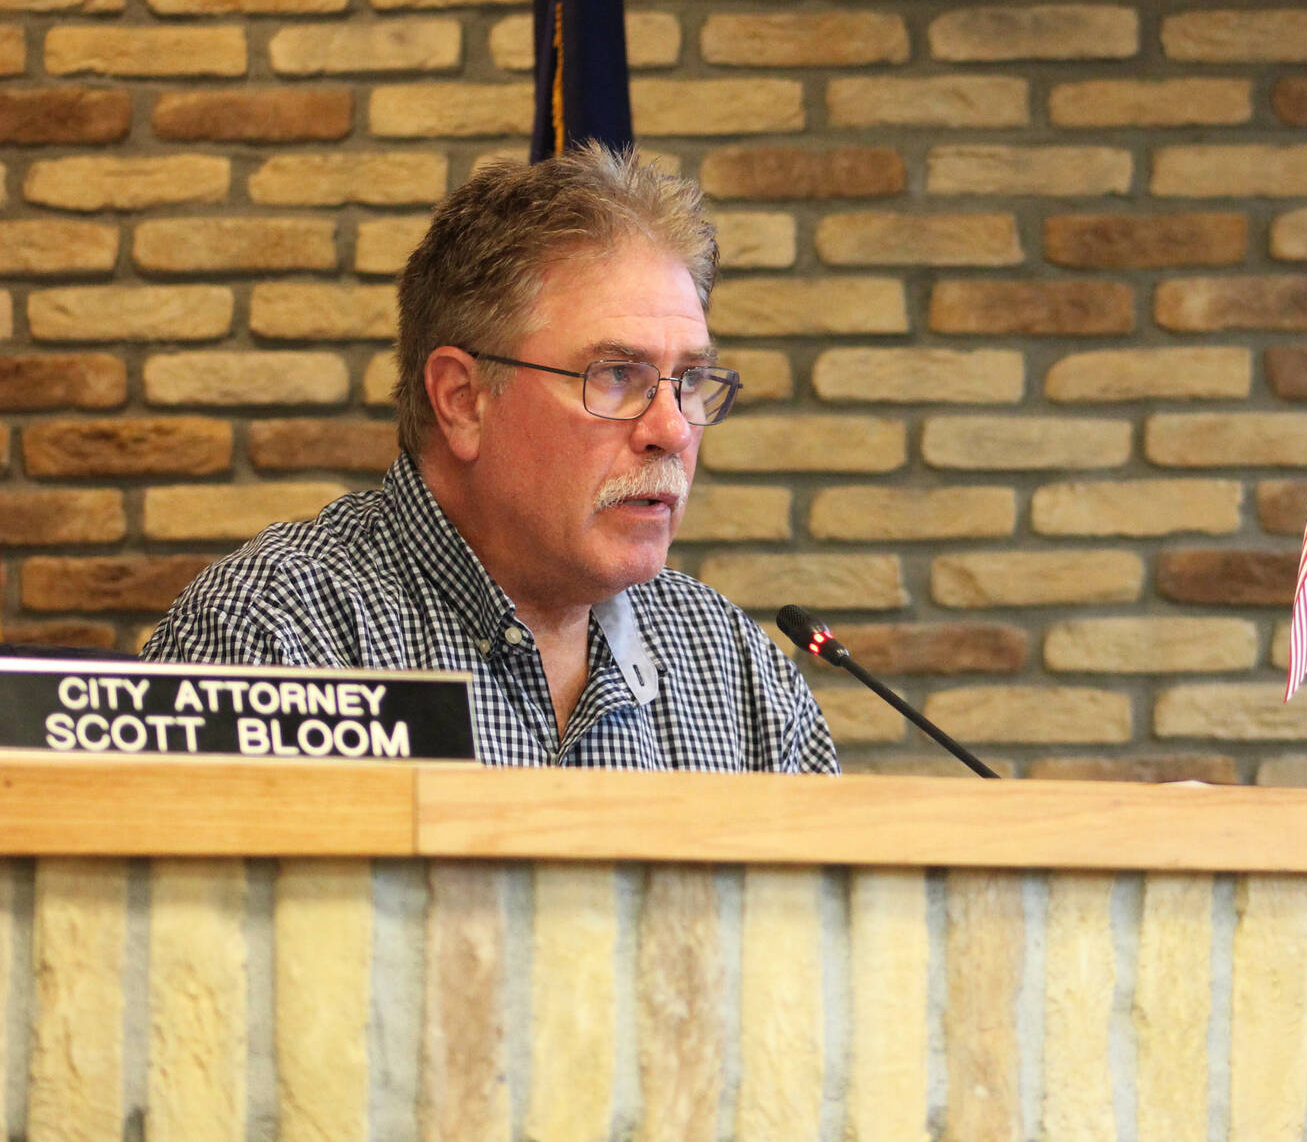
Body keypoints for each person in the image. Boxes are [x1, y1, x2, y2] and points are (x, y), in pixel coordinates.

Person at [145, 144, 836, 773]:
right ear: (463, 400)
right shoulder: (275, 637)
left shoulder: (738, 671)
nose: (672, 429)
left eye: (687, 380)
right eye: (617, 375)